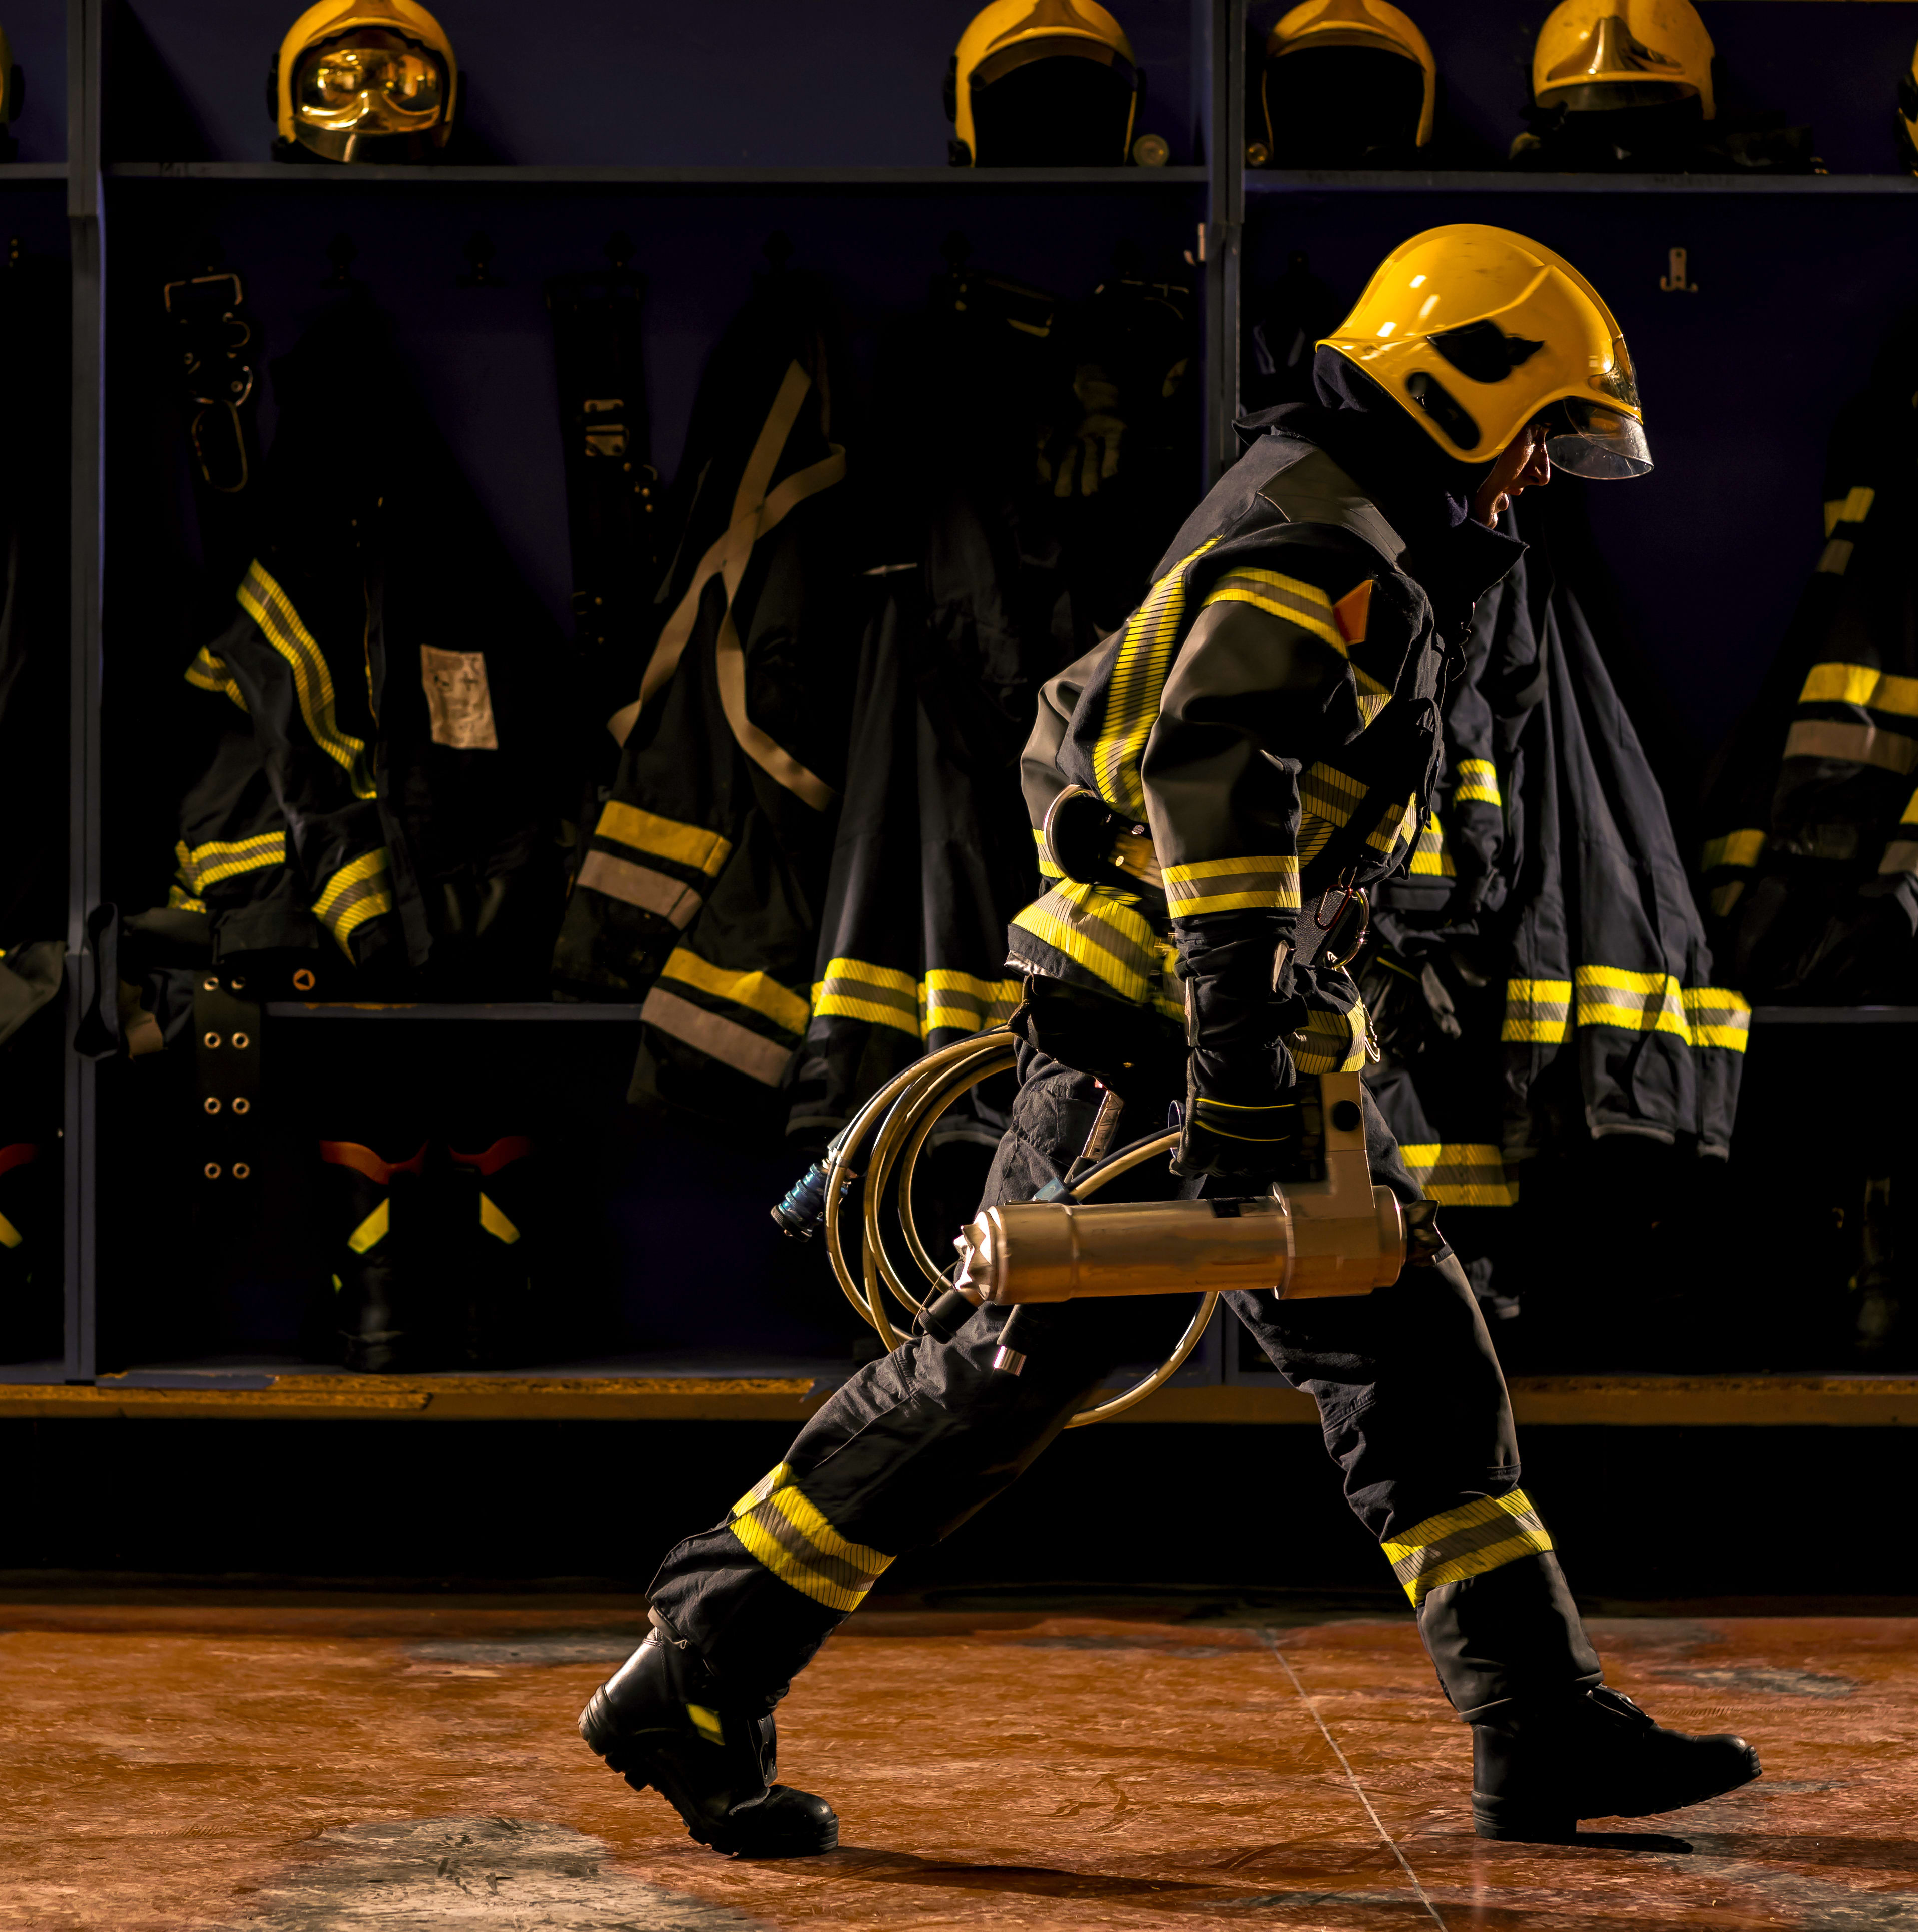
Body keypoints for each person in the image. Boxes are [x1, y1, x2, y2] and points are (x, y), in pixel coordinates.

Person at [578, 225, 1760, 1856]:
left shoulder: (1346, 525)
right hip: (1156, 1048)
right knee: (1005, 1373)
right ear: (1459, 388)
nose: (1541, 477)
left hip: (1211, 1037)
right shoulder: (1317, 542)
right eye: (1539, 434)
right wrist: (1238, 1058)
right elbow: (1212, 791)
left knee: (1411, 1356)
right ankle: (689, 1672)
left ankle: (1536, 1720)